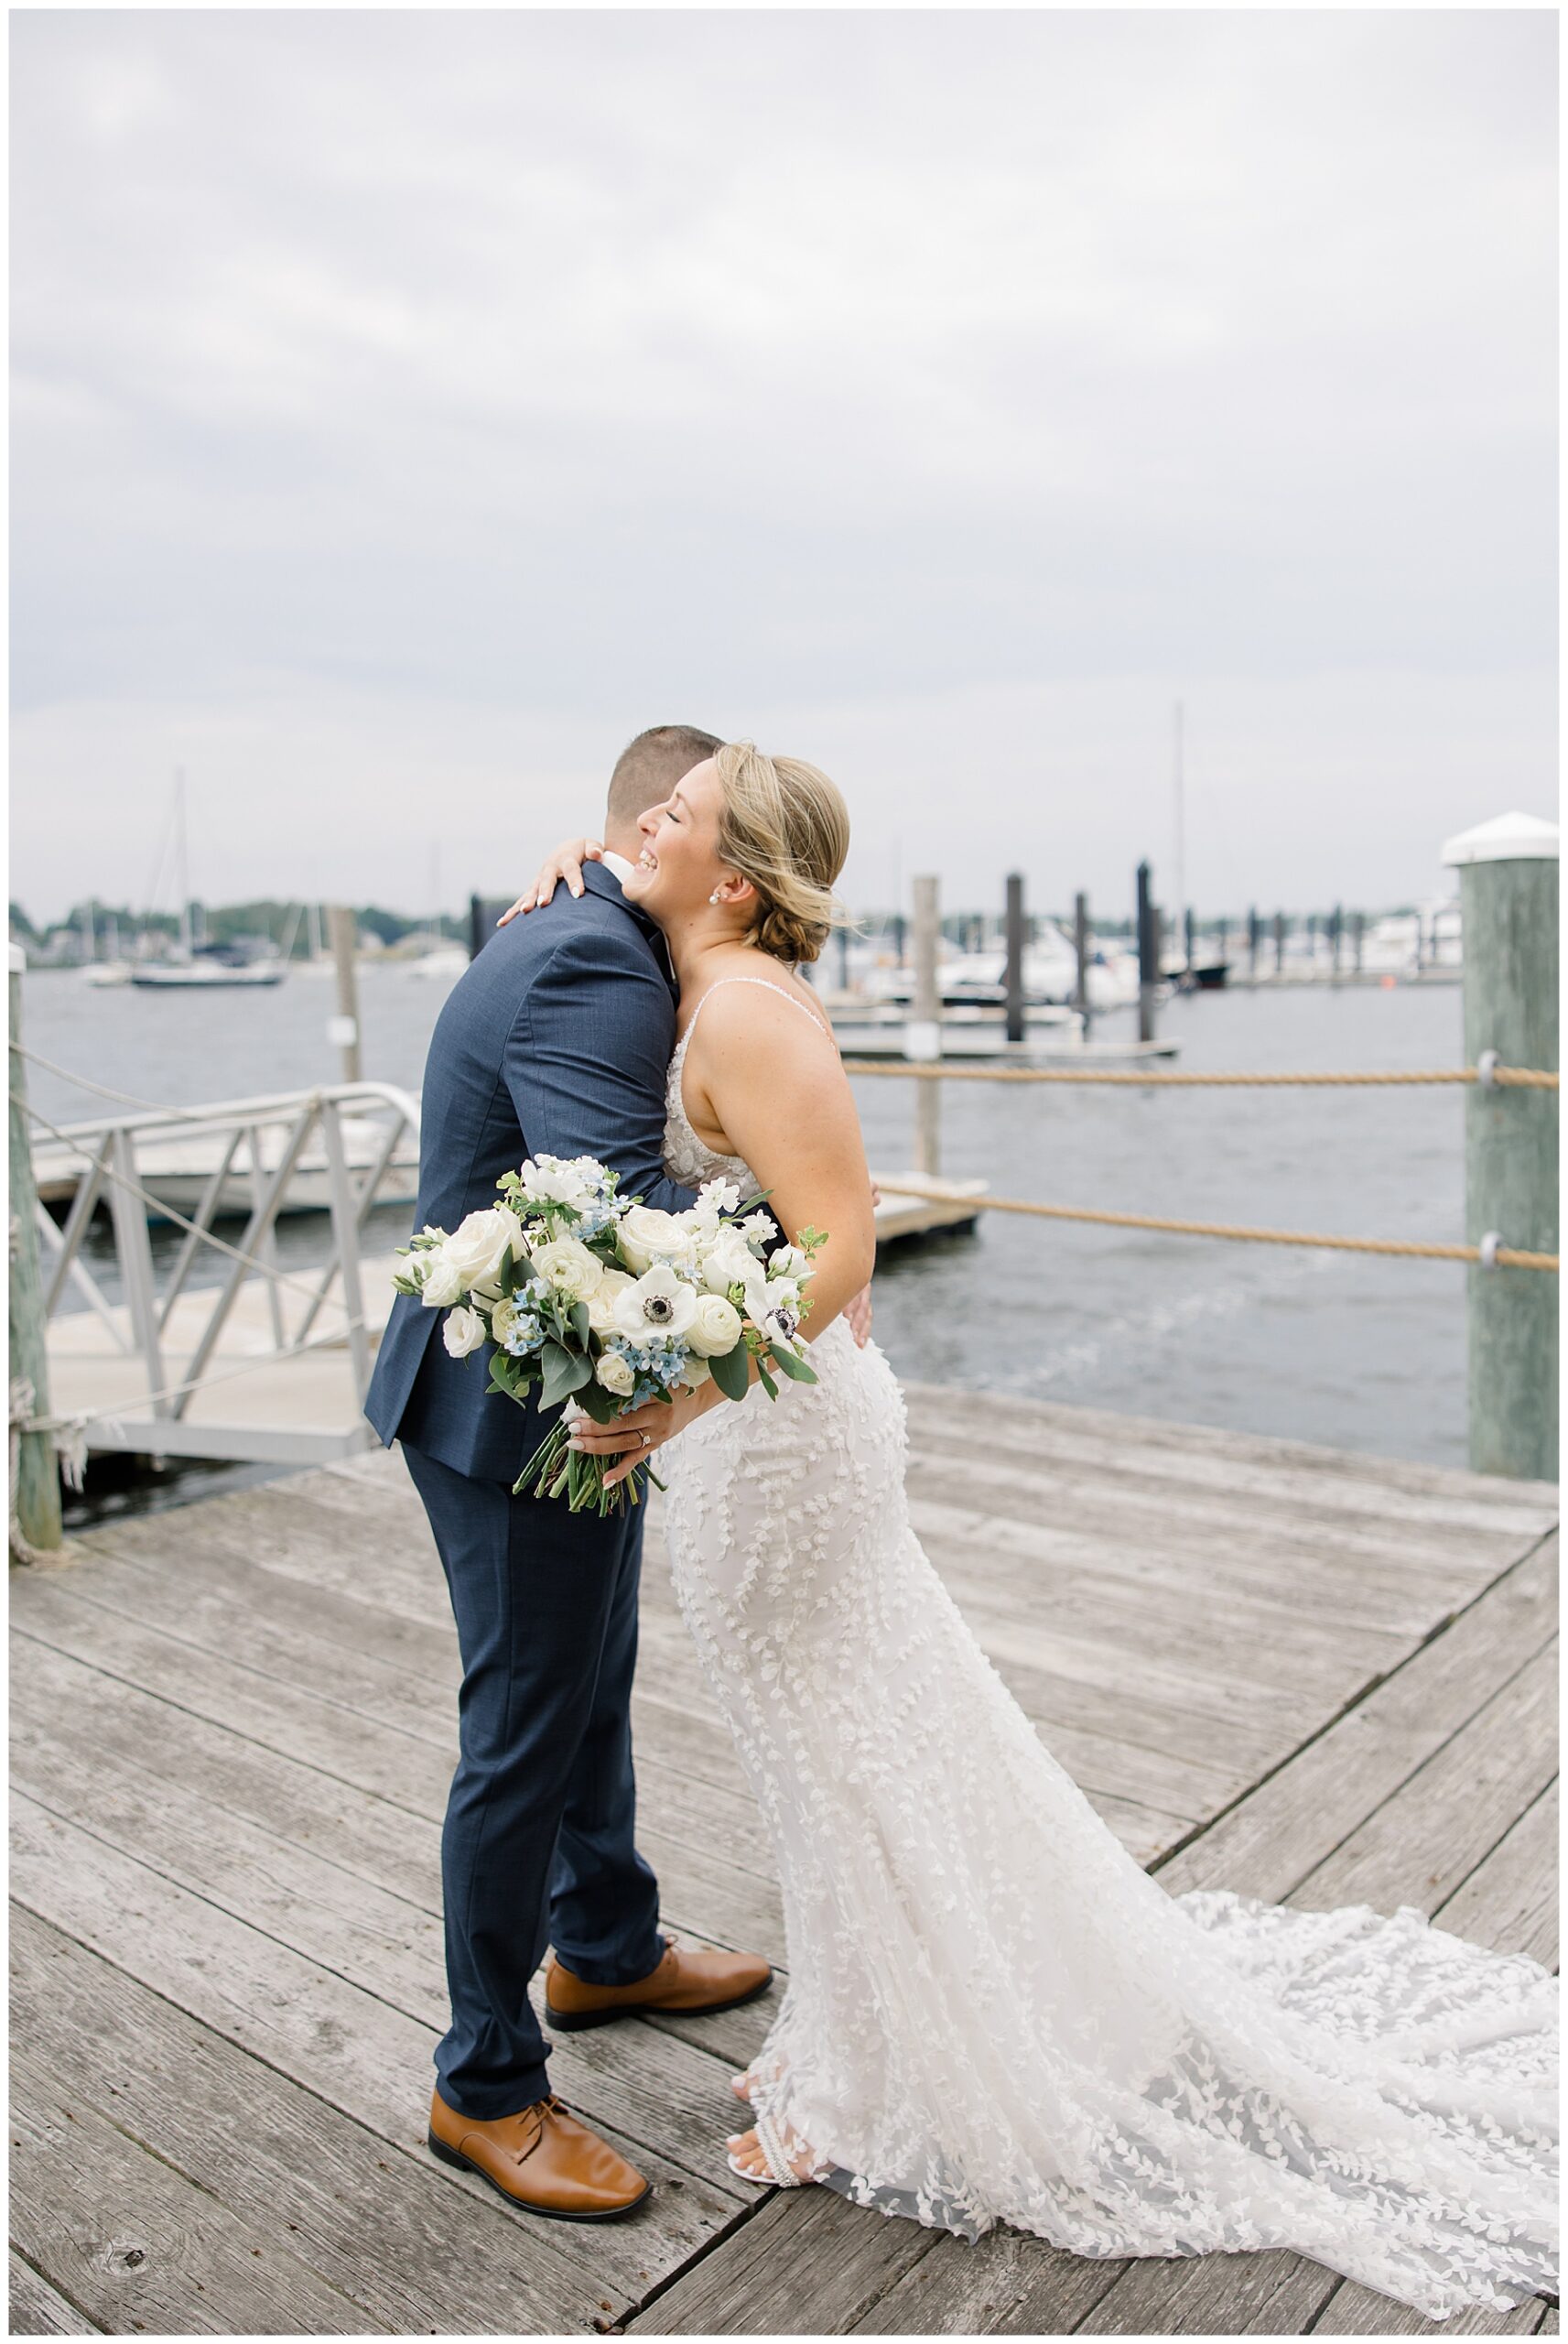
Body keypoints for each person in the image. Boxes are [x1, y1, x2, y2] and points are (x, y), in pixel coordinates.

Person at [504, 741, 1558, 2320]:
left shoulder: (733, 1010)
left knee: (836, 1750)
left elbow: (842, 1246)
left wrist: (678, 1400)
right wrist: (565, 880)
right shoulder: (720, 971)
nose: (633, 832)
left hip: (778, 1438)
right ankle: (856, 2041)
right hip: (772, 1427)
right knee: (841, 1747)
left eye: (671, 822)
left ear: (731, 879)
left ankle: (890, 2074)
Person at [365, 723, 781, 2223]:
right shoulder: (591, 961)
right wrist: (800, 1226)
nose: (688, 838)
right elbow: (621, 1212)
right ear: (657, 837)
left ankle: (603, 1945)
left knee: (584, 1676)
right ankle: (483, 2083)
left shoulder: (579, 919)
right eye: (676, 815)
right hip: (513, 1407)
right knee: (525, 1723)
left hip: (537, 1396)